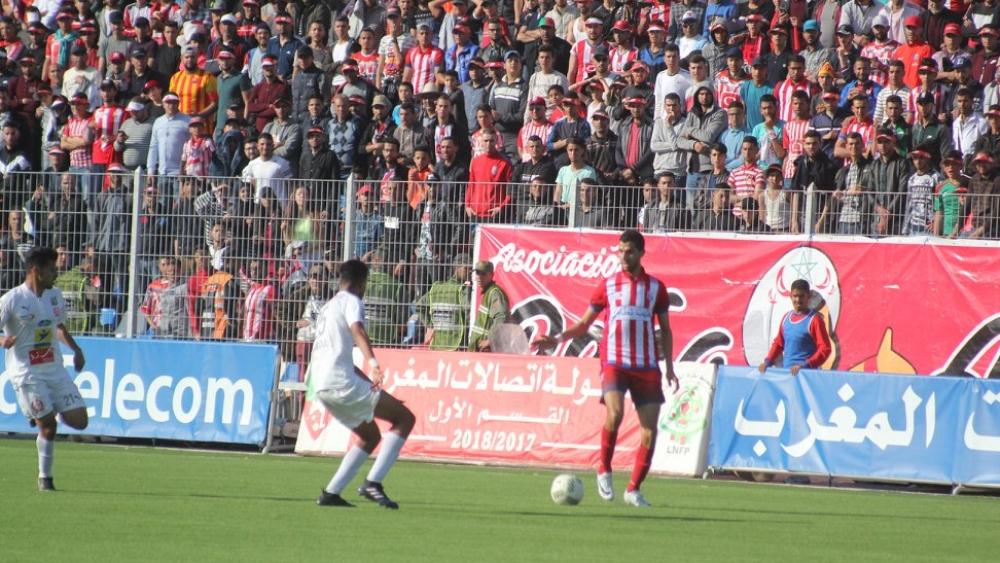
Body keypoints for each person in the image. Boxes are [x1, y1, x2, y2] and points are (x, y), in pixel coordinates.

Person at [536, 229, 678, 508]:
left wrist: (670, 367)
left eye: (629, 252)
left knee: (649, 432)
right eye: (620, 251)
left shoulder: (656, 288)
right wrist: (557, 338)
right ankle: (603, 467)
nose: (623, 257)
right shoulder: (608, 285)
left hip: (647, 365)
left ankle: (633, 489)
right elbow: (585, 324)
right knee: (615, 413)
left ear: (641, 253)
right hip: (614, 360)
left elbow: (667, 330)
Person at [313, 259, 416, 509]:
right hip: (341, 383)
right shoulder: (352, 301)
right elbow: (358, 329)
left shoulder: (328, 307)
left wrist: (370, 383)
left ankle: (331, 493)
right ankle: (373, 483)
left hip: (321, 385)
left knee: (369, 436)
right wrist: (374, 363)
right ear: (361, 283)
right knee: (404, 419)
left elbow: (338, 356)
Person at [1, 247, 88, 491]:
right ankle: (45, 478)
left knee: (80, 421)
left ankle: (39, 410)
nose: (55, 273)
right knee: (49, 425)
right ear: (36, 271)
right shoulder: (12, 300)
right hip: (26, 371)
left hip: (54, 368)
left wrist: (77, 349)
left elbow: (58, 327)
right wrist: (2, 341)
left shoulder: (55, 296)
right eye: (51, 269)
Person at [758, 278, 833, 375]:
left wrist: (806, 365)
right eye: (795, 296)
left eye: (802, 296)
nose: (798, 300)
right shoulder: (786, 318)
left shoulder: (814, 320)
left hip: (806, 376)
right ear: (790, 296)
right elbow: (778, 344)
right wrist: (767, 361)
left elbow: (825, 348)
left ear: (808, 296)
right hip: (788, 375)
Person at [469, 260, 510, 352]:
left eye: (483, 274)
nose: (479, 277)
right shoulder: (488, 292)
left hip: (488, 350)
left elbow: (501, 318)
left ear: (491, 275)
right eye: (477, 273)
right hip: (480, 349)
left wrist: (490, 340)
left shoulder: (494, 293)